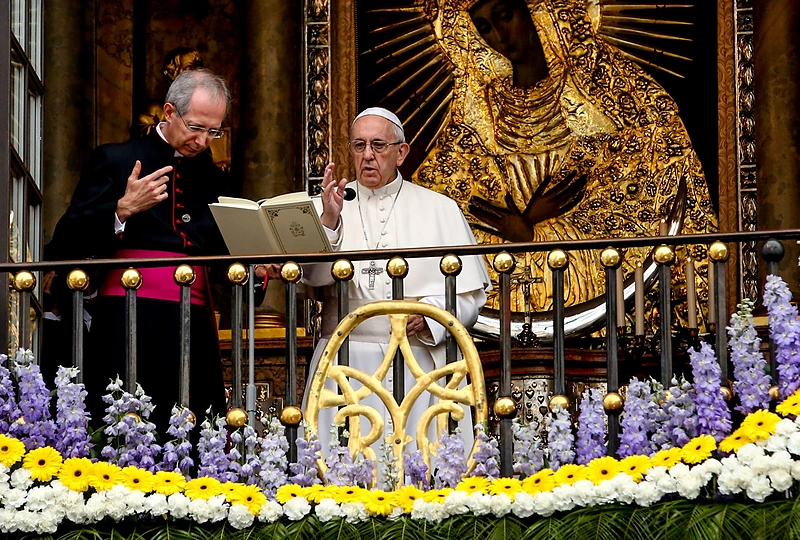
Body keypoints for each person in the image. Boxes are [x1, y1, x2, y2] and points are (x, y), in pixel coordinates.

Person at [415, 0, 718, 320]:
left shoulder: (607, 90)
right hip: (508, 300)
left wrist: (538, 232)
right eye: (484, 27)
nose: (501, 35)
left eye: (506, 15)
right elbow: (438, 210)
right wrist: (521, 230)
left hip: (598, 296)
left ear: (538, 12)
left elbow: (656, 179)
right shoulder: (477, 114)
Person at [262, 107, 490, 456]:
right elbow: (315, 279)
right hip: (343, 357)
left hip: (416, 359)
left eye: (378, 145)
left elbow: (470, 295)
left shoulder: (439, 209)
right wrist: (329, 223)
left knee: (417, 460)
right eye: (359, 145)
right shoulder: (327, 204)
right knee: (341, 463)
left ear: (401, 152)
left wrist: (432, 316)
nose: (367, 155)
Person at [50, 69, 235, 431]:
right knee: (127, 418)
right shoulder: (116, 159)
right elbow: (64, 238)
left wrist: (256, 266)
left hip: (192, 318)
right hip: (127, 315)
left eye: (214, 131)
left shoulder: (215, 179)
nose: (202, 141)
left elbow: (223, 250)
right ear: (169, 112)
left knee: (190, 425)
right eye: (196, 127)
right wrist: (121, 210)